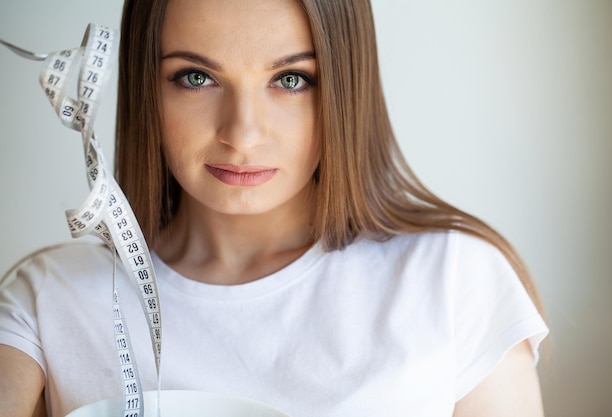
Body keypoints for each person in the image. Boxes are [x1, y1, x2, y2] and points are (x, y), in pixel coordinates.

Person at [0, 0, 549, 416]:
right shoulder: (48, 299)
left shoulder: (453, 280)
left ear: (343, 86)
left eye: (291, 80)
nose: (242, 135)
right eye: (197, 77)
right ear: (147, 85)